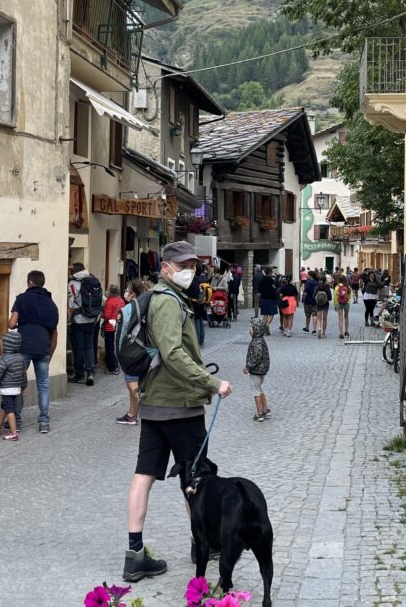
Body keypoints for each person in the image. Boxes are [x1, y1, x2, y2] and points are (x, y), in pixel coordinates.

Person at [123, 241, 232, 583]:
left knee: (145, 475)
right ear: (166, 267)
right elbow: (172, 353)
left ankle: (135, 554)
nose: (191, 270)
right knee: (194, 479)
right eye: (184, 265)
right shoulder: (168, 302)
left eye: (194, 265)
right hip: (180, 406)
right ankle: (201, 544)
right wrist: (212, 383)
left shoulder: (159, 298)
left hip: (154, 404)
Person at [9, 270, 59, 434]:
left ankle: (16, 420)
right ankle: (44, 422)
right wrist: (49, 354)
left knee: (18, 384)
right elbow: (54, 332)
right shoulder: (51, 305)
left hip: (24, 347)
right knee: (43, 386)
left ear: (30, 283)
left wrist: (19, 323)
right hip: (43, 347)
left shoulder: (22, 299)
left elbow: (11, 324)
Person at [116, 279, 150, 425]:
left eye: (128, 289)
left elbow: (122, 333)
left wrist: (119, 352)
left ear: (133, 293)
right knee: (135, 380)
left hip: (132, 350)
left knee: (131, 381)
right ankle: (131, 414)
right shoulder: (150, 304)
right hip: (148, 348)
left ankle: (148, 407)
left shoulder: (128, 308)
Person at [0, 330, 27, 441]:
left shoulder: (3, 359)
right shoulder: (20, 358)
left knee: (9, 410)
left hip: (7, 389)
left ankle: (13, 433)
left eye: (2, 343)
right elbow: (23, 374)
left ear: (7, 345)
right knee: (4, 407)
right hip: (16, 389)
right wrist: (23, 387)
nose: (1, 345)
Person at [68, 262, 100, 386]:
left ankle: (80, 374)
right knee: (89, 346)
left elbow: (70, 303)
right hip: (92, 319)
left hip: (78, 320)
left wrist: (69, 317)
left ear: (74, 271)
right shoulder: (93, 279)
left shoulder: (73, 283)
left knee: (79, 348)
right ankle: (91, 372)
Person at [243, 317, 271, 422]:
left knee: (256, 392)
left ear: (256, 329)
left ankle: (259, 413)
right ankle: (265, 409)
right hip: (262, 370)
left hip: (256, 370)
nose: (249, 330)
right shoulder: (261, 340)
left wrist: (248, 366)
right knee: (259, 389)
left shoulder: (256, 342)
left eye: (251, 327)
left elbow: (256, 356)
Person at [102, 285, 125, 374]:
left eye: (108, 290)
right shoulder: (121, 301)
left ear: (111, 292)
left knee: (109, 347)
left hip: (109, 327)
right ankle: (116, 364)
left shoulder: (109, 302)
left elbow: (107, 316)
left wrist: (102, 313)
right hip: (118, 326)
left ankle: (113, 367)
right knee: (116, 347)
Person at [186, 266, 206, 348]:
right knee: (200, 321)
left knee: (196, 322)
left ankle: (197, 341)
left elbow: (188, 292)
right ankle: (201, 340)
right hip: (201, 303)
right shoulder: (202, 280)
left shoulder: (192, 281)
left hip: (194, 303)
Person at [258, 267, 278, 334]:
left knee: (265, 314)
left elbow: (259, 289)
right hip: (271, 299)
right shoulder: (272, 280)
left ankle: (263, 328)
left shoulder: (262, 279)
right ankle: (267, 324)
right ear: (270, 272)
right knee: (271, 314)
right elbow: (274, 289)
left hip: (263, 298)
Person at [334, 275, 351, 340]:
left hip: (339, 303)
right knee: (346, 317)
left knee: (340, 318)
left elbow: (335, 297)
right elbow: (349, 296)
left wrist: (335, 304)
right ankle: (346, 331)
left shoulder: (337, 287)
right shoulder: (348, 287)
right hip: (346, 303)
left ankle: (341, 333)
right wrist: (348, 301)